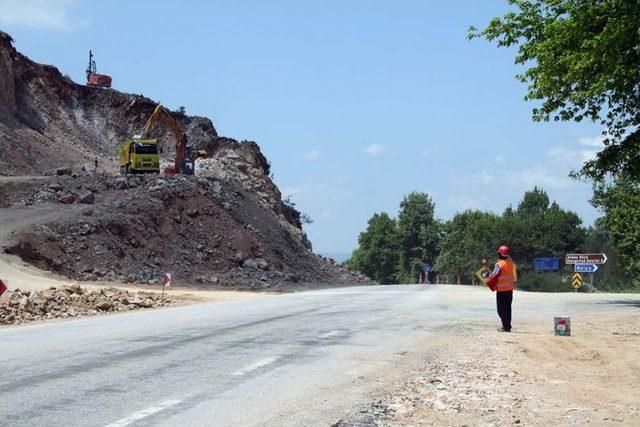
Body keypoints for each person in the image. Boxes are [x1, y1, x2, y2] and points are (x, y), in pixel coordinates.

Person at [486, 245, 517, 332]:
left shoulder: (499, 265)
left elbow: (494, 276)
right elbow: (508, 258)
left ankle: (506, 327)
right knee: (508, 309)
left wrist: (489, 279)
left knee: (501, 310)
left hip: (501, 291)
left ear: (500, 254)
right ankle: (508, 326)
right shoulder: (511, 263)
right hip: (509, 290)